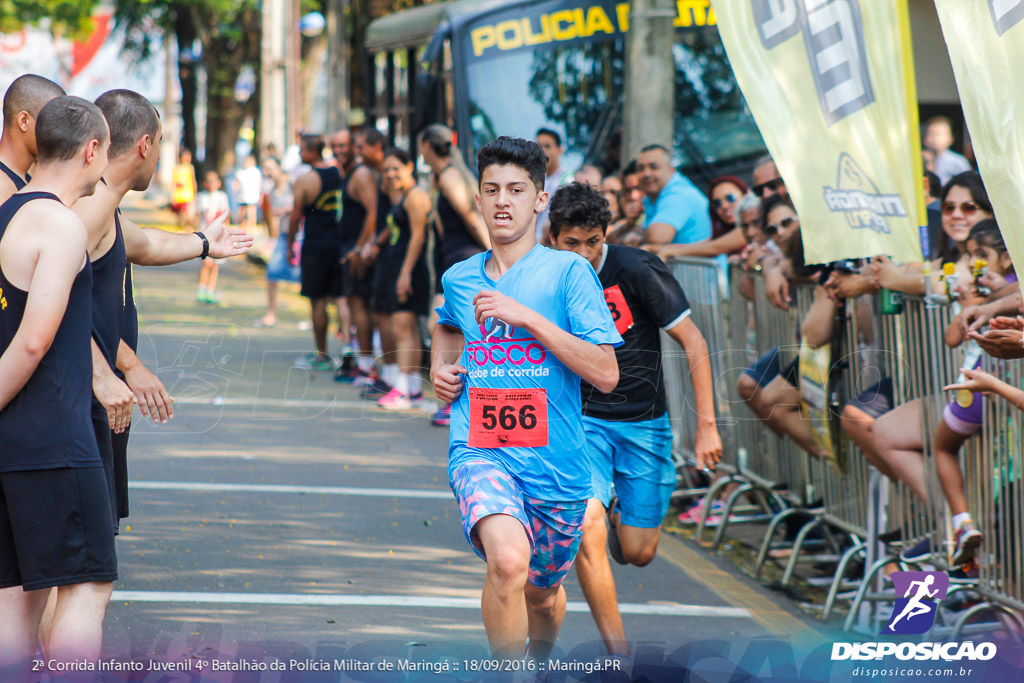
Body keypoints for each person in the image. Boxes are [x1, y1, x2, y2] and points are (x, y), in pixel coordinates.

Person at [431, 136, 621, 662]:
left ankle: (538, 662)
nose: (502, 201)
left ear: (540, 199)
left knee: (541, 593)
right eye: (491, 189)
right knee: (509, 563)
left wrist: (529, 318)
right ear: (479, 198)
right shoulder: (459, 277)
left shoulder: (570, 273)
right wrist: (441, 371)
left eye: (516, 189)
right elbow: (448, 328)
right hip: (480, 448)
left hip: (556, 466)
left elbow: (606, 373)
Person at [548, 182, 722, 656]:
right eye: (571, 243)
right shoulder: (542, 275)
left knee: (640, 553)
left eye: (593, 242)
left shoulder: (638, 269)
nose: (583, 254)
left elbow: (695, 343)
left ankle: (622, 514)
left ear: (606, 235)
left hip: (644, 423)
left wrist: (707, 425)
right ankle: (619, 655)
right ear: (552, 238)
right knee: (586, 526)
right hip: (581, 421)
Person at [0, 95, 113, 673]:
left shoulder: (5, 214)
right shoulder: (60, 223)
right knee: (87, 584)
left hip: (12, 442)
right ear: (92, 150)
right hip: (52, 440)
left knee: (17, 596)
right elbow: (32, 341)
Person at [419, 123, 490, 425]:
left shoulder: (449, 176)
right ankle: (453, 399)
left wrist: (495, 253)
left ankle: (457, 400)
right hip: (450, 260)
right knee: (444, 325)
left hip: (465, 257)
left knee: (448, 326)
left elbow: (472, 217)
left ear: (425, 146)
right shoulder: (441, 177)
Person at [372, 148, 432, 409]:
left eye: (396, 168)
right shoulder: (403, 196)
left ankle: (406, 391)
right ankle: (412, 389)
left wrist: (405, 273)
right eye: (386, 170)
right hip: (397, 268)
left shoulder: (416, 196)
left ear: (410, 165)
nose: (390, 174)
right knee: (401, 328)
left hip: (411, 271)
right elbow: (394, 227)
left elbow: (418, 237)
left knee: (404, 329)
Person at [287, 134, 347, 371]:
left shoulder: (305, 179)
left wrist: (290, 244)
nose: (300, 154)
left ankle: (322, 355)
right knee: (342, 298)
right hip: (339, 244)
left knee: (318, 300)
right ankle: (350, 351)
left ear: (313, 151)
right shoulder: (338, 174)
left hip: (315, 247)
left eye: (302, 150)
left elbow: (295, 217)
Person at [333, 128, 381, 386]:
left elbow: (374, 213)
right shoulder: (346, 173)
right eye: (335, 146)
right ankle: (364, 364)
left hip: (357, 252)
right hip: (349, 249)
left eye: (344, 146)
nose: (339, 151)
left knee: (360, 306)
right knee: (355, 306)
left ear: (353, 147)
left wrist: (359, 248)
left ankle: (367, 367)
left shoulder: (361, 175)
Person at [0, 75, 65, 203]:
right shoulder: (2, 184)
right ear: (24, 121)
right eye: (54, 123)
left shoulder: (26, 179)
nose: (60, 134)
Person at [652, 175, 748, 259]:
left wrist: (670, 252)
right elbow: (703, 246)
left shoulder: (750, 227)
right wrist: (655, 248)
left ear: (745, 195)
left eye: (730, 198)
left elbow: (714, 248)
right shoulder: (728, 232)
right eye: (717, 203)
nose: (724, 206)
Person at [635, 144, 710, 245]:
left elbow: (656, 238)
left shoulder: (679, 194)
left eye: (654, 167)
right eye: (640, 169)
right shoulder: (651, 197)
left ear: (671, 170)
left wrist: (636, 238)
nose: (646, 174)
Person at [256, 157, 298, 327]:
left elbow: (303, 204)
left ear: (279, 167)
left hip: (298, 235)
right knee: (272, 273)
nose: (268, 173)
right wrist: (270, 240)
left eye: (270, 168)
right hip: (282, 235)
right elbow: (271, 218)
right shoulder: (272, 191)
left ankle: (313, 318)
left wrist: (288, 209)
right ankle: (271, 313)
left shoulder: (292, 183)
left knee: (304, 275)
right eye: (265, 169)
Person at [194, 171, 232, 304]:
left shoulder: (222, 197)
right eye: (208, 181)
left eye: (213, 181)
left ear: (218, 183)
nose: (211, 184)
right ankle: (201, 289)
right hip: (205, 234)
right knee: (206, 263)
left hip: (218, 235)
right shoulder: (201, 197)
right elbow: (197, 215)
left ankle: (210, 290)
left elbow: (226, 215)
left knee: (215, 264)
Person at [534, 127, 574, 242]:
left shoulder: (566, 180)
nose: (542, 151)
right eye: (538, 146)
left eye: (547, 146)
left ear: (559, 150)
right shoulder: (537, 178)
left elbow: (559, 218)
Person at [924, 117, 972, 185]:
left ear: (951, 139)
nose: (935, 138)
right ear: (925, 139)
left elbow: (969, 183)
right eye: (931, 134)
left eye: (939, 134)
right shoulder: (919, 160)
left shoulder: (958, 161)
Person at [606, 161, 644, 246]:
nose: (633, 196)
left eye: (638, 188)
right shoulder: (620, 223)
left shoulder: (656, 214)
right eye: (628, 191)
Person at [234, 154, 263, 234]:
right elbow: (236, 184)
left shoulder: (255, 172)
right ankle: (242, 226)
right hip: (242, 195)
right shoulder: (241, 172)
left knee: (251, 211)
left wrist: (260, 193)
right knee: (242, 212)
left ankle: (251, 226)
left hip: (252, 195)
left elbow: (259, 183)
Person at [171, 148, 197, 231]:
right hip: (179, 195)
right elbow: (174, 183)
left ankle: (188, 229)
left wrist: (194, 193)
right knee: (180, 215)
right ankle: (181, 229)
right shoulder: (177, 168)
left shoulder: (190, 167)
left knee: (188, 215)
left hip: (188, 195)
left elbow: (193, 181)